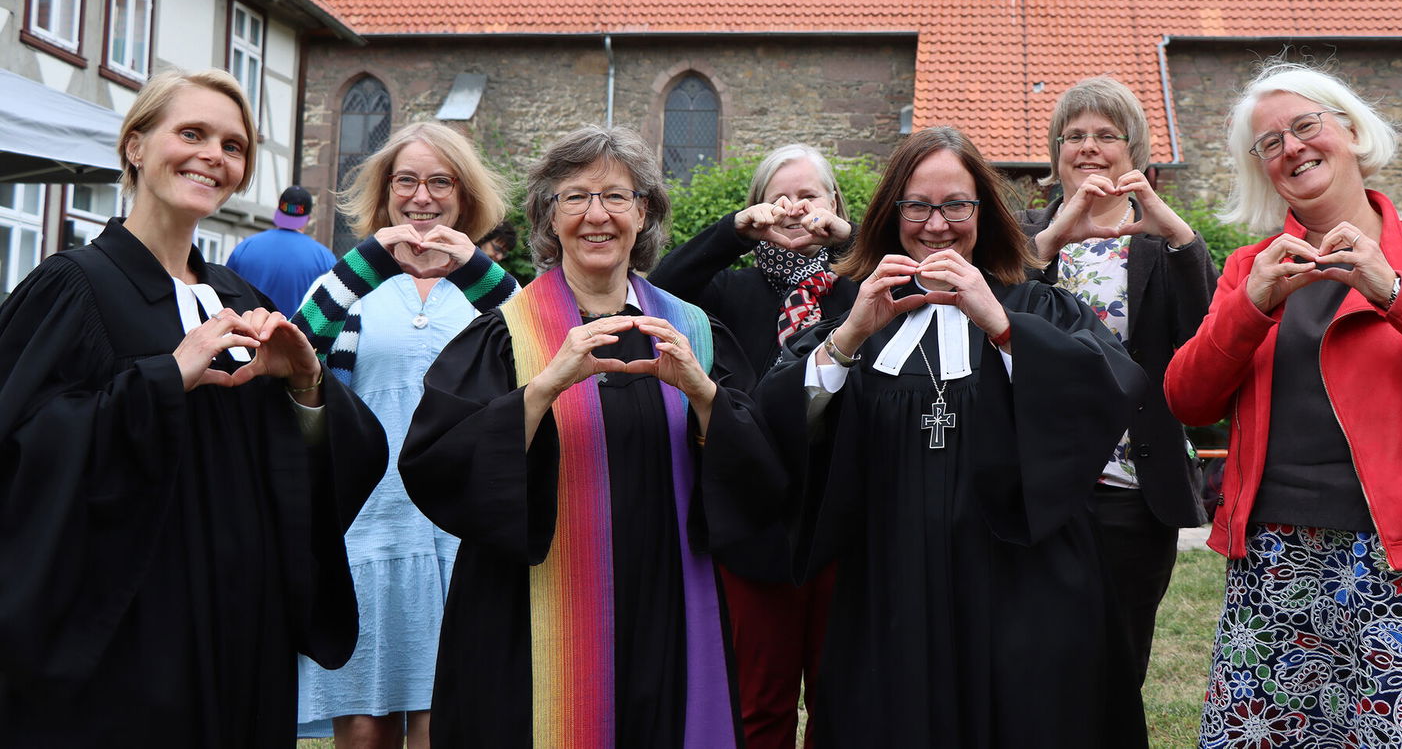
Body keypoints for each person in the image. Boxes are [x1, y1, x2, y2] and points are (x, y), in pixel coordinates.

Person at [721, 125, 1149, 748]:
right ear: (892, 213)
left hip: (1018, 586)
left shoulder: (1036, 305)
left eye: (956, 205)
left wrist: (1002, 326)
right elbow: (775, 420)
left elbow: (1107, 391)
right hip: (886, 590)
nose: (936, 224)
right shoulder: (861, 314)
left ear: (984, 211)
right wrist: (846, 339)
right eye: (918, 206)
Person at [1165, 63, 1402, 749]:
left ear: (1349, 129)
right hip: (1276, 559)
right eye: (1269, 142)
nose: (1291, 146)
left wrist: (1397, 290)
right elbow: (1187, 398)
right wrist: (1250, 306)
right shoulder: (1250, 268)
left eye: (1306, 124)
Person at [0, 69, 386, 747]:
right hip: (131, 635)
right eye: (193, 133)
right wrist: (164, 377)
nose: (214, 154)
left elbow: (311, 469)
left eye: (233, 145)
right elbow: (23, 448)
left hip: (242, 627)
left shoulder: (238, 297)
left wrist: (306, 384)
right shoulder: (72, 287)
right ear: (136, 146)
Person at [400, 125, 767, 748]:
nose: (596, 216)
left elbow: (761, 471)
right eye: (574, 197)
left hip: (669, 608)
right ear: (549, 215)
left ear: (642, 212)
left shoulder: (693, 332)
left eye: (616, 197)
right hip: (532, 615)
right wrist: (543, 387)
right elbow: (437, 463)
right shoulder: (505, 336)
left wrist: (704, 394)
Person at [294, 122, 521, 748]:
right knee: (364, 732)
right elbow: (293, 353)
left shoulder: (486, 291)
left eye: (440, 182)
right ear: (385, 193)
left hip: (457, 536)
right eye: (407, 182)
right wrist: (369, 258)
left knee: (440, 724)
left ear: (465, 194)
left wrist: (469, 262)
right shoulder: (353, 284)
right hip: (363, 533)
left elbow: (537, 345)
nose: (422, 198)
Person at [651, 143, 856, 749]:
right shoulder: (727, 291)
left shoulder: (859, 287)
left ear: (835, 206)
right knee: (757, 704)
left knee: (838, 695)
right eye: (778, 198)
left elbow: (904, 266)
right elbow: (659, 286)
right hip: (754, 518)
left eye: (810, 197)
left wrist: (847, 239)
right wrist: (732, 232)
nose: (795, 209)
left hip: (841, 517)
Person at [1015, 76, 1215, 682]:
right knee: (1039, 653)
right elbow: (994, 316)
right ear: (1056, 152)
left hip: (1134, 481)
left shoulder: (1159, 240)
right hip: (1039, 480)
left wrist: (1178, 235)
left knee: (1121, 655)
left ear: (1135, 150)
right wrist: (1050, 241)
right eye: (1073, 136)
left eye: (1107, 135)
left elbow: (1210, 334)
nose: (1088, 148)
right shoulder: (1022, 231)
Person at [226, 184, 340, 314]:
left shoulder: (244, 247)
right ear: (307, 219)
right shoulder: (324, 257)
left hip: (246, 332)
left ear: (278, 212)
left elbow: (225, 294)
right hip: (295, 333)